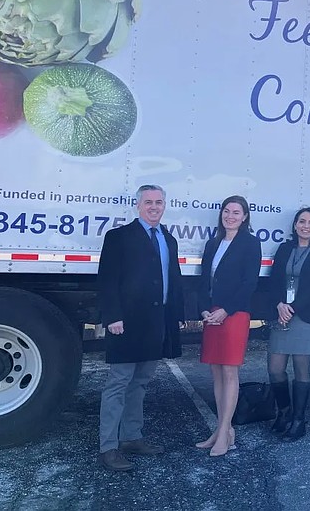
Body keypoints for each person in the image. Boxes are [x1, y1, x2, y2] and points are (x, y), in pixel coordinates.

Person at [97, 185, 184, 472]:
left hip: (155, 325)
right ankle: (109, 447)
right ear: (138, 206)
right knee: (118, 385)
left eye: (159, 202)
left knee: (141, 384)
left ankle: (132, 437)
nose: (154, 207)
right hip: (126, 324)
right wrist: (112, 317)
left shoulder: (168, 239)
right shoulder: (119, 237)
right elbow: (107, 280)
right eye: (149, 202)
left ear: (164, 205)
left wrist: (176, 317)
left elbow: (173, 279)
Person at [196, 195, 262, 457]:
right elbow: (204, 281)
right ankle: (222, 429)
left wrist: (226, 310)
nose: (230, 216)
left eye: (236, 212)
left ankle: (224, 432)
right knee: (215, 372)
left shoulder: (250, 243)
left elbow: (249, 284)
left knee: (230, 372)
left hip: (234, 315)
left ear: (244, 217)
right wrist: (204, 309)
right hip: (212, 314)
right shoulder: (214, 243)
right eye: (227, 211)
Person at [267, 207, 310, 441]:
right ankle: (284, 412)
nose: (306, 226)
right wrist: (279, 305)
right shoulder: (285, 249)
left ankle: (298, 420)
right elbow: (274, 280)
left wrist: (292, 308)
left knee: (301, 370)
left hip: (305, 316)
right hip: (281, 314)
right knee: (275, 369)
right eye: (302, 221)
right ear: (295, 225)